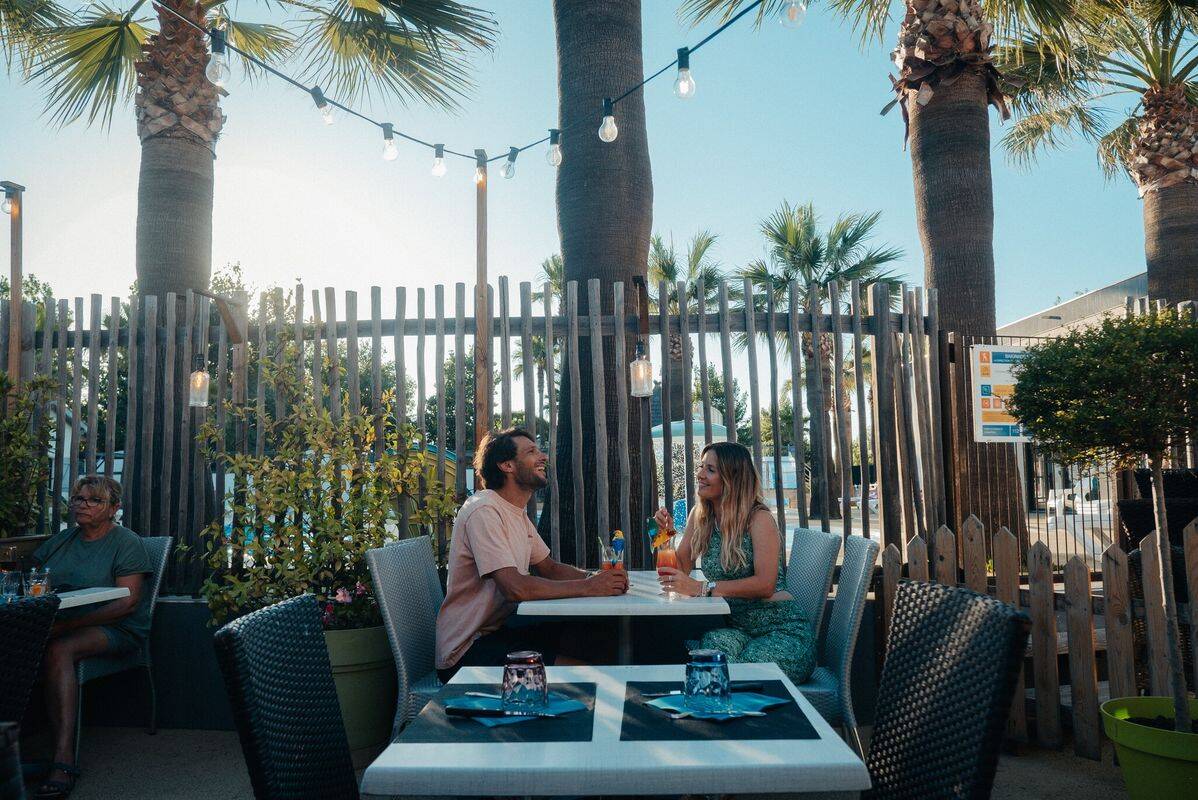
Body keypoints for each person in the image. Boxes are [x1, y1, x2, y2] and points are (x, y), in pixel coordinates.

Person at [435, 428, 628, 682]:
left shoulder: (515, 511)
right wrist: (589, 587)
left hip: (499, 633)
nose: (543, 457)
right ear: (507, 465)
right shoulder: (484, 511)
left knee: (595, 635)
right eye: (531, 452)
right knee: (587, 675)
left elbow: (549, 568)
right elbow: (515, 588)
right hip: (466, 653)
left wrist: (599, 578)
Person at [30, 476, 151, 800]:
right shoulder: (62, 540)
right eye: (78, 499)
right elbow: (33, 578)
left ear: (114, 508)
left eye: (93, 500)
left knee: (58, 650)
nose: (82, 505)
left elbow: (128, 602)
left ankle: (63, 759)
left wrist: (68, 627)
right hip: (61, 623)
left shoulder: (126, 542)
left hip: (115, 627)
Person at [655, 441, 816, 684]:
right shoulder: (700, 517)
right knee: (708, 657)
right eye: (701, 467)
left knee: (733, 674)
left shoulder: (758, 518)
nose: (699, 474)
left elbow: (765, 585)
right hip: (740, 631)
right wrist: (666, 536)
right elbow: (678, 573)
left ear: (732, 478)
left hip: (783, 632)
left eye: (710, 469)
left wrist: (702, 588)